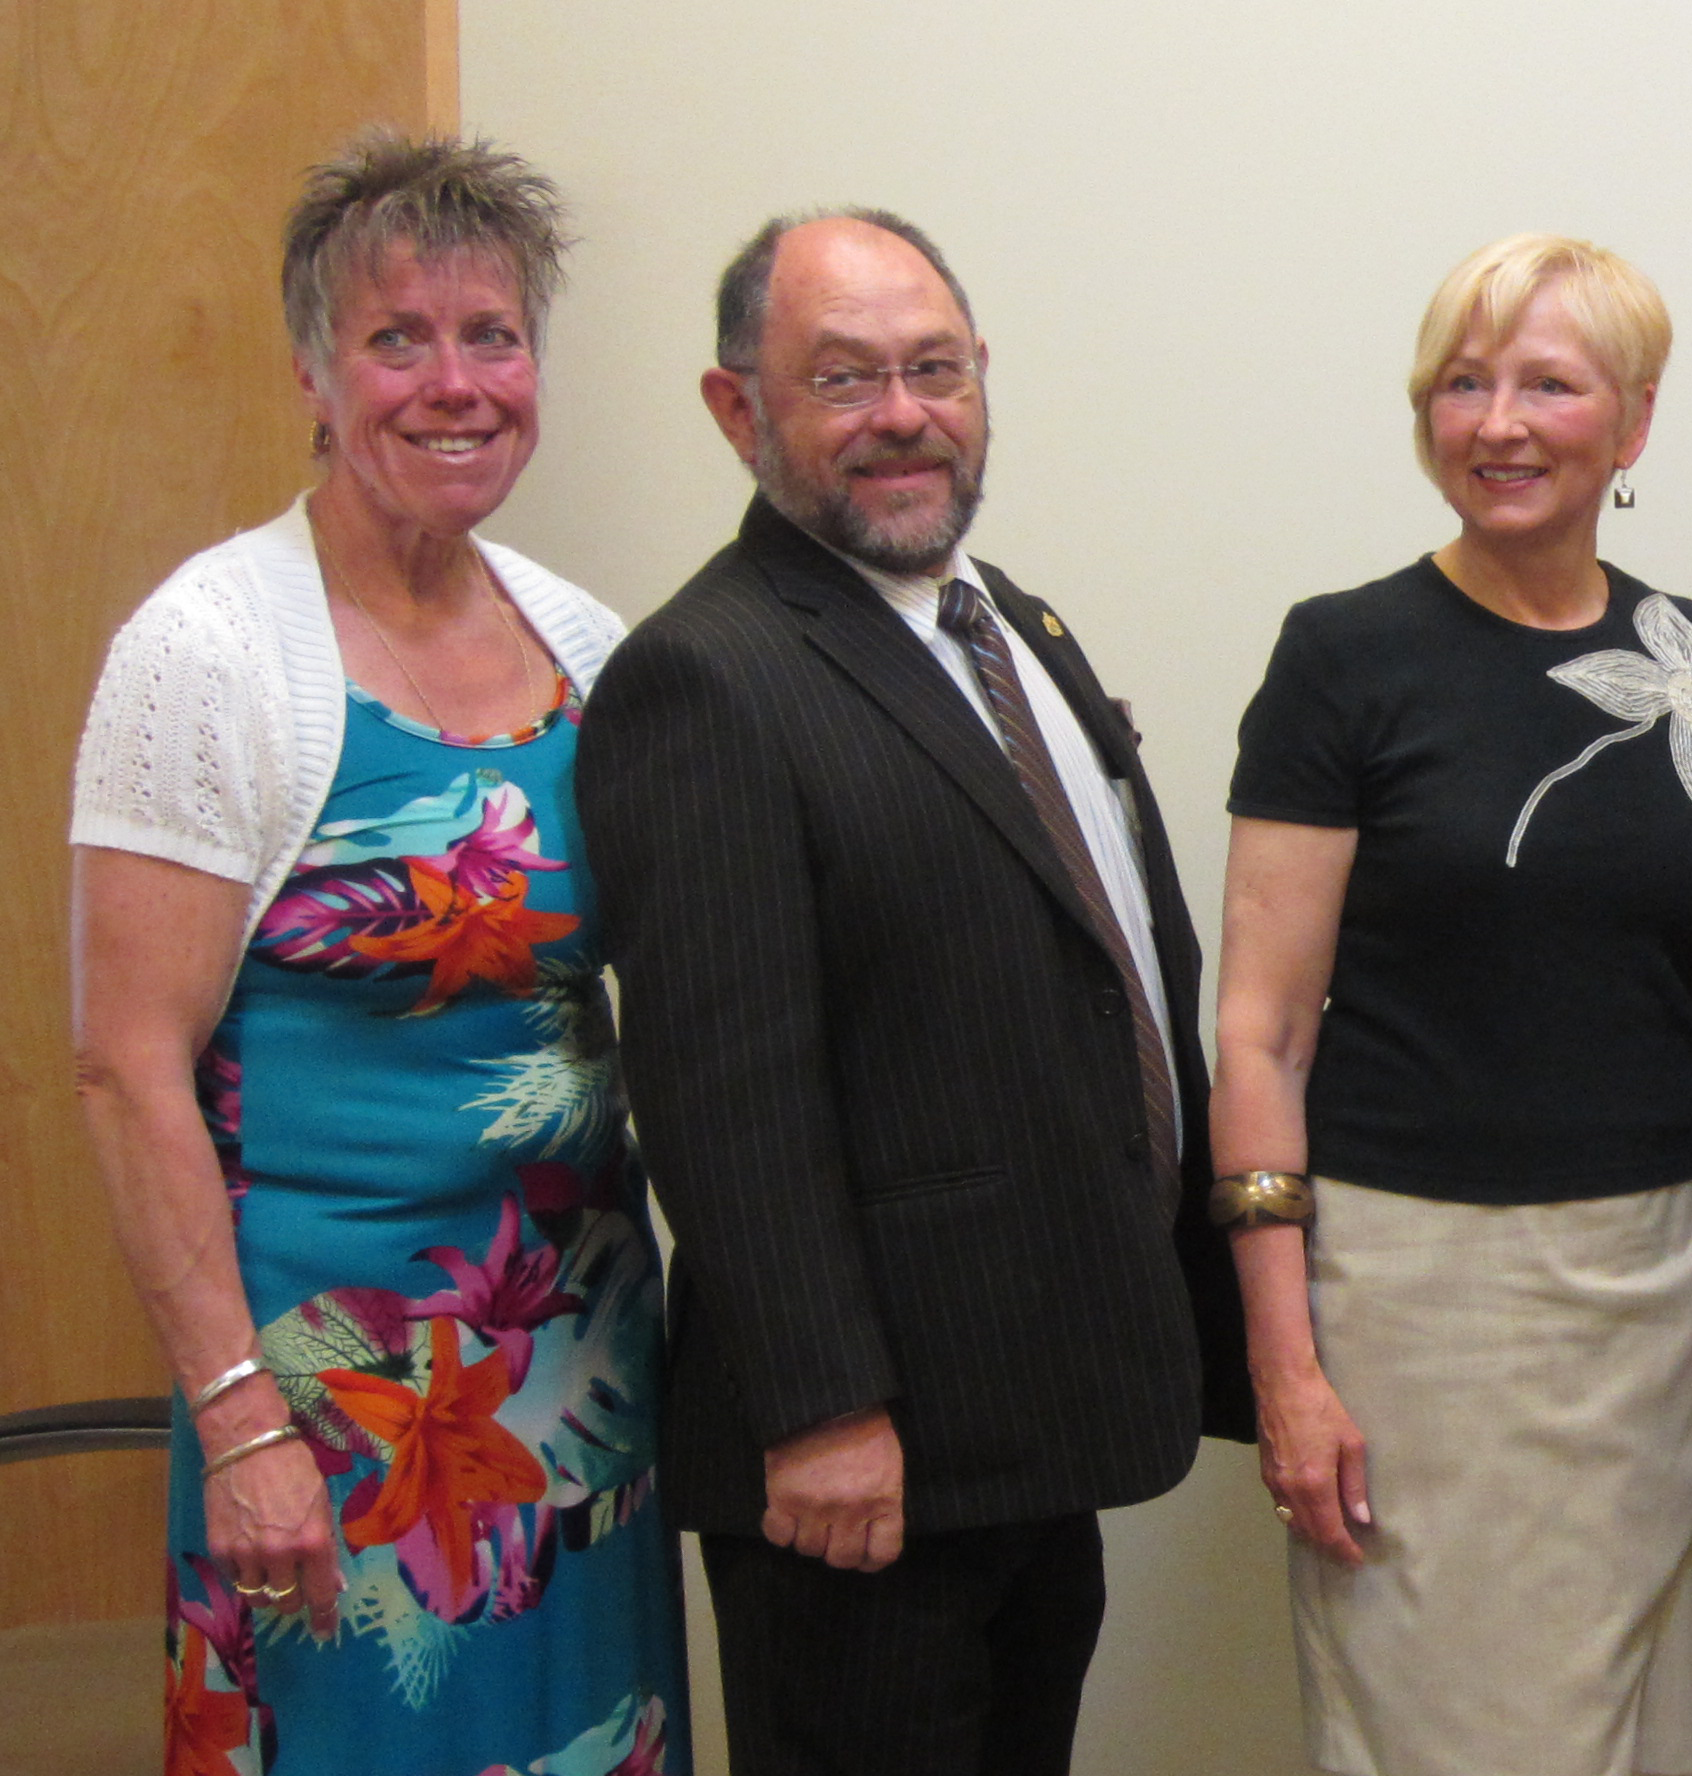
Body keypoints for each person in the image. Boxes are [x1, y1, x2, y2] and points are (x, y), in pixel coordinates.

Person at [574, 209, 1247, 1775]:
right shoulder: (709, 675)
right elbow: (722, 1090)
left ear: (982, 380)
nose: (900, 415)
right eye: (841, 378)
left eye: (931, 368)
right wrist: (819, 1413)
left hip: (1034, 1427)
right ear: (738, 409)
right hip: (862, 1471)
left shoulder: (1015, 626)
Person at [70, 134, 686, 1775]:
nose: (455, 383)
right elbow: (128, 1071)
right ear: (313, 373)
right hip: (325, 1398)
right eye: (396, 339)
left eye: (493, 336)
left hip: (577, 1375)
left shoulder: (585, 641)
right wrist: (238, 1416)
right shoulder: (206, 649)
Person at [1211, 233, 1692, 1776]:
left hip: (1645, 1286)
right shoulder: (1342, 658)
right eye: (1461, 384)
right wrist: (1284, 1370)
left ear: (1632, 420)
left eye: (1548, 384)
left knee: (1628, 1717)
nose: (1499, 423)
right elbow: (1260, 1036)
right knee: (1451, 1727)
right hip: (1413, 1305)